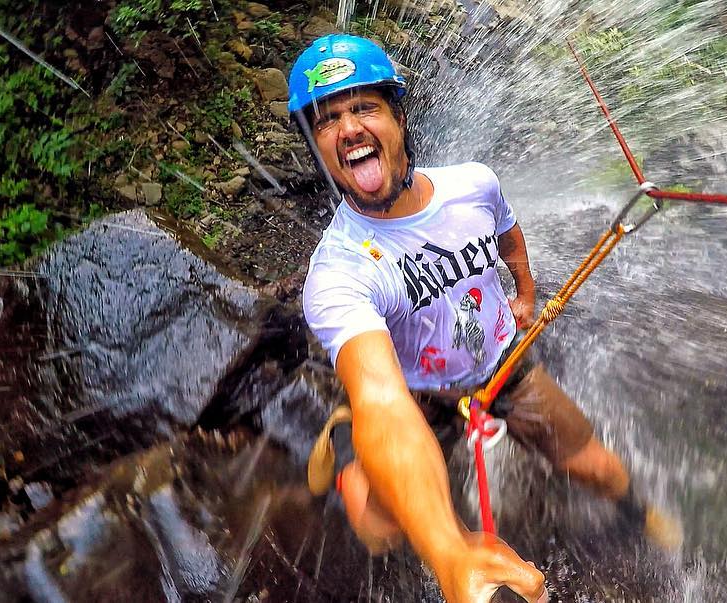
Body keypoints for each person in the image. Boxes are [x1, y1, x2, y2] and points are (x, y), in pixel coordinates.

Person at [288, 34, 679, 603]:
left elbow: (507, 233)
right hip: (418, 392)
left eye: (364, 107)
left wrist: (524, 290)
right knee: (380, 530)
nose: (348, 128)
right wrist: (449, 549)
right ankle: (353, 463)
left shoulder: (473, 185)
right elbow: (383, 400)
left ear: (399, 116)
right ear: (318, 147)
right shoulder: (337, 272)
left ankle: (640, 513)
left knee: (594, 465)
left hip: (503, 362)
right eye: (328, 120)